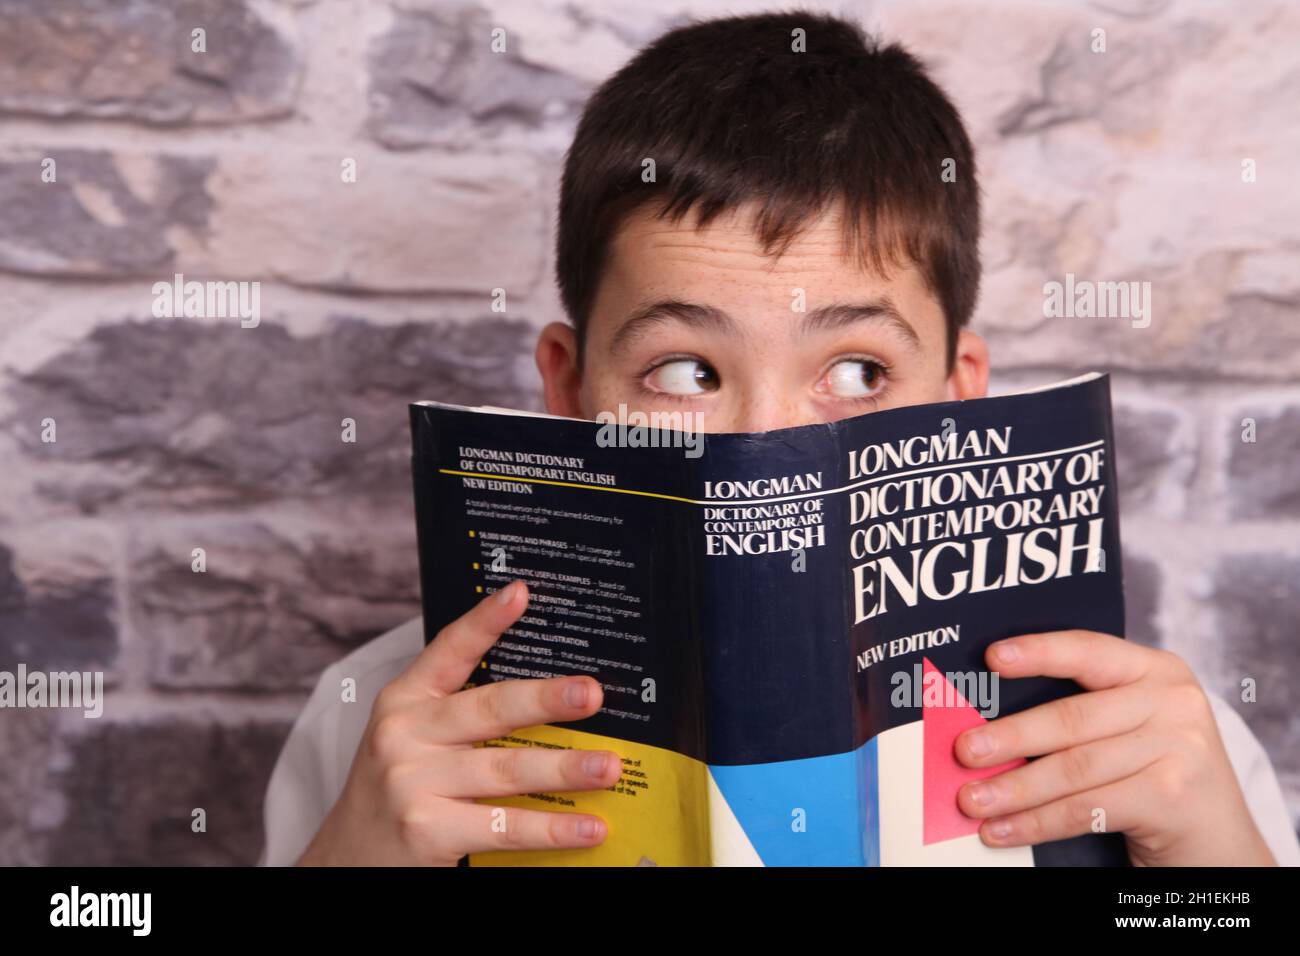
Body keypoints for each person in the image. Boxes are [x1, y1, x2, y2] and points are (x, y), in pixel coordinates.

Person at [259, 12, 1299, 866]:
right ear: (571, 391)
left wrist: (1217, 860)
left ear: (959, 400)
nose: (767, 452)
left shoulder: (1145, 736)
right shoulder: (387, 728)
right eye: (685, 372)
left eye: (856, 373)